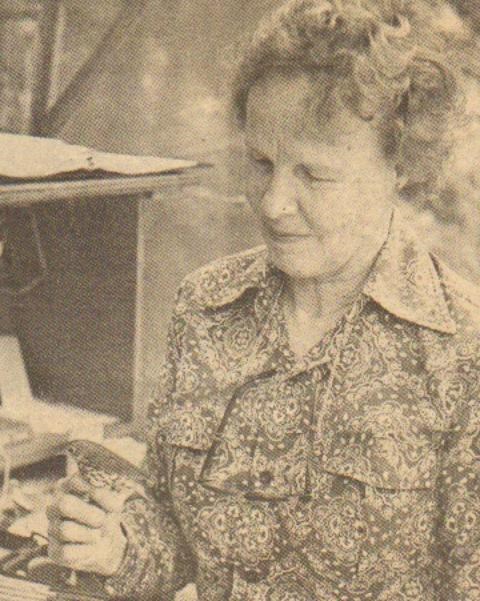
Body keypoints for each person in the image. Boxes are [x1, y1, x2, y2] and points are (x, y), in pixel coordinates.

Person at [47, 1, 480, 599]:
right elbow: (171, 534)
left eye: (316, 175)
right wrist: (116, 544)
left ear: (400, 166)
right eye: (261, 163)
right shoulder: (205, 308)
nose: (274, 202)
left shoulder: (463, 350)